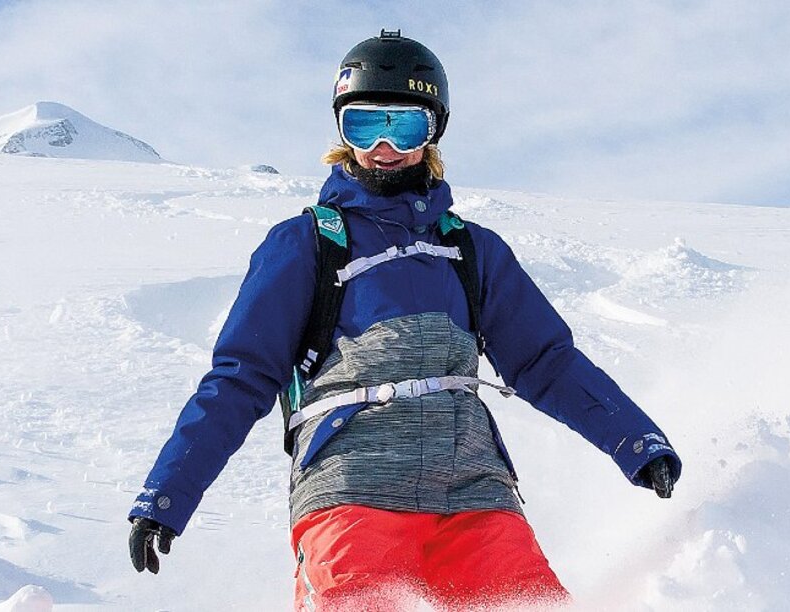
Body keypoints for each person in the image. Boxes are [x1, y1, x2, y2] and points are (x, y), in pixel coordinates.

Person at [125, 31, 681, 608]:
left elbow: (545, 361)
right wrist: (168, 495)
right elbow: (240, 378)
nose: (384, 146)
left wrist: (634, 441)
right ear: (341, 134)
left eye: (405, 125)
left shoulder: (472, 249)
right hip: (352, 485)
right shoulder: (307, 244)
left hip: (475, 490)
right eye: (363, 125)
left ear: (434, 131)